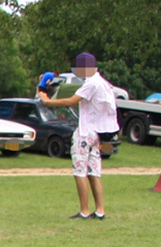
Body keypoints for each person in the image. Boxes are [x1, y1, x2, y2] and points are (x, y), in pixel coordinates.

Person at [36, 52, 120, 219]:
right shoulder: (103, 83)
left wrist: (46, 100)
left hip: (85, 132)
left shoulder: (91, 84)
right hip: (98, 133)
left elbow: (71, 101)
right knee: (94, 171)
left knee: (80, 170)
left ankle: (84, 211)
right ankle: (100, 210)